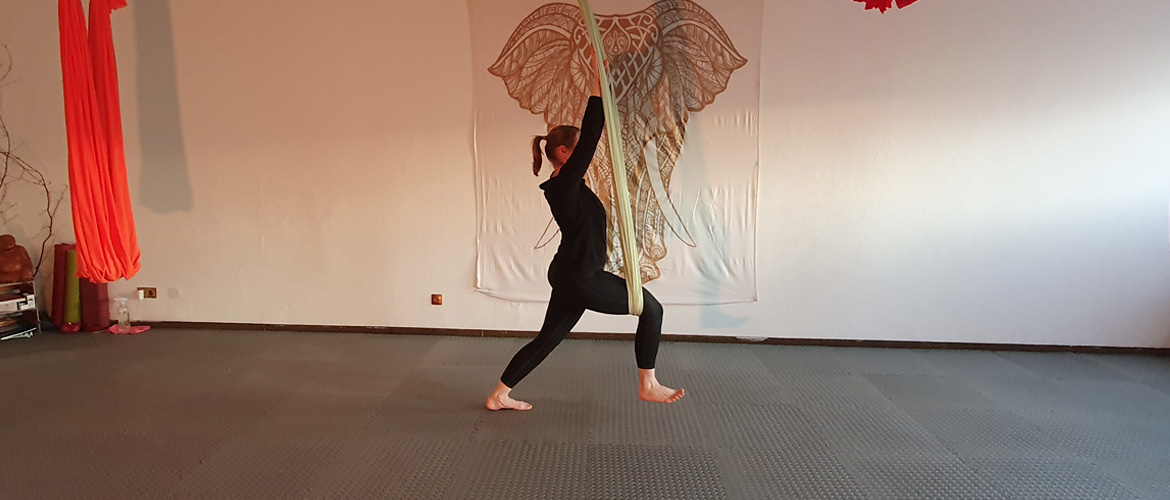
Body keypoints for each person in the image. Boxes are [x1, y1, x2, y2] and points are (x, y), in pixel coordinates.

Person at [485, 53, 684, 411]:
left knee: (548, 338)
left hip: (571, 271)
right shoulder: (564, 185)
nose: (585, 158)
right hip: (580, 275)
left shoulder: (568, 186)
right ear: (564, 152)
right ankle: (647, 383)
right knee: (651, 310)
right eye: (577, 152)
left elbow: (589, 145)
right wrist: (597, 86)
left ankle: (499, 395)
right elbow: (592, 135)